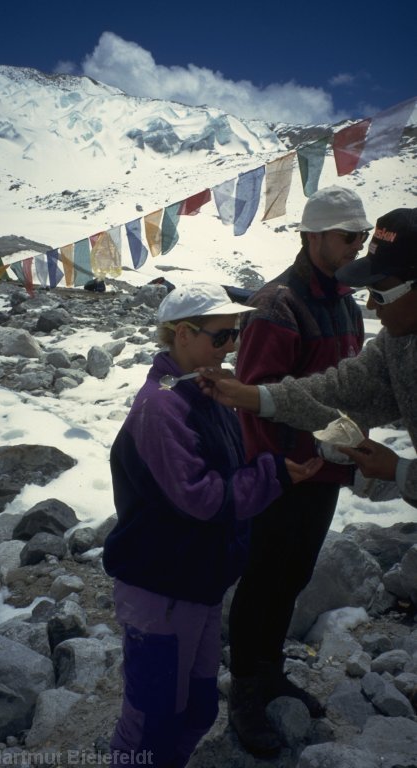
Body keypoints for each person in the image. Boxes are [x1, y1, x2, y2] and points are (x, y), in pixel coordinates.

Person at [102, 282, 323, 768]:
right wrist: (274, 476)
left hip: (198, 581)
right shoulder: (161, 406)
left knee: (198, 708)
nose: (233, 348)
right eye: (221, 337)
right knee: (152, 718)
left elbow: (233, 462)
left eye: (237, 335)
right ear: (182, 334)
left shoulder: (201, 390)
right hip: (160, 586)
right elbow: (200, 497)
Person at [223, 185, 374, 755]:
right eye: (347, 237)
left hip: (325, 470)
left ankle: (269, 670)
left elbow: (355, 384)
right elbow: (254, 396)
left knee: (293, 576)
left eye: (360, 237)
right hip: (282, 472)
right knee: (264, 576)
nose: (356, 246)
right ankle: (245, 687)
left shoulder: (347, 302)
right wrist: (288, 465)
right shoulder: (278, 306)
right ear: (313, 238)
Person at [198, 207, 417, 505]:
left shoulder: (348, 307)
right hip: (291, 475)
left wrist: (401, 472)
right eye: (349, 236)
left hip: (319, 472)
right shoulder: (395, 341)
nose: (371, 306)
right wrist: (250, 396)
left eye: (379, 294)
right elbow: (340, 388)